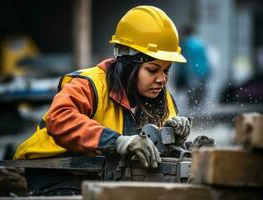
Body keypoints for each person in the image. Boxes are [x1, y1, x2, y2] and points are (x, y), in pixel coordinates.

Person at [13, 5, 191, 195]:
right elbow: (59, 119)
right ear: (128, 65)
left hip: (101, 177)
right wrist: (118, 141)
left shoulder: (161, 99)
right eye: (152, 70)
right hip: (54, 174)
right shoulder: (89, 84)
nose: (161, 79)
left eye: (166, 70)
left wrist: (176, 138)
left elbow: (161, 151)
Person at [175, 25, 211, 108]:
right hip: (203, 72)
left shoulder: (186, 43)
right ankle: (201, 114)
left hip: (192, 73)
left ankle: (192, 114)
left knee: (191, 95)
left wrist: (179, 74)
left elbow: (184, 60)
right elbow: (206, 59)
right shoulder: (200, 42)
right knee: (200, 96)